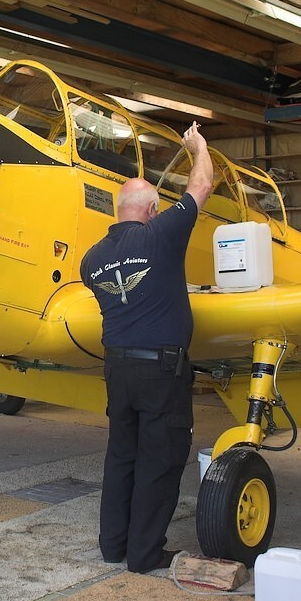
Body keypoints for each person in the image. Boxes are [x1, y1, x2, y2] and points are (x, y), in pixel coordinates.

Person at [79, 121, 214, 573]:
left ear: (118, 211)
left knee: (122, 458)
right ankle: (143, 554)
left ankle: (113, 545)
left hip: (117, 369)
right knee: (160, 459)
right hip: (160, 371)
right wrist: (199, 146)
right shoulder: (161, 236)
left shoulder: (91, 259)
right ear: (153, 209)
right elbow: (203, 184)